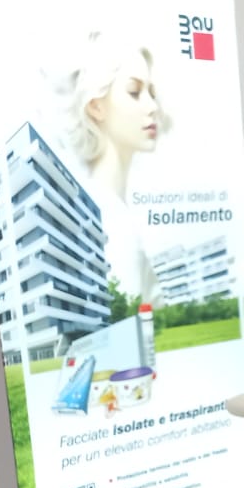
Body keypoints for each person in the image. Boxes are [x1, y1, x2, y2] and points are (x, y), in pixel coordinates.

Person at [52, 32, 173, 304]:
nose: (152, 106)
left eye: (151, 94)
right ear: (96, 106)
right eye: (134, 92)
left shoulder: (115, 210)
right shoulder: (105, 217)